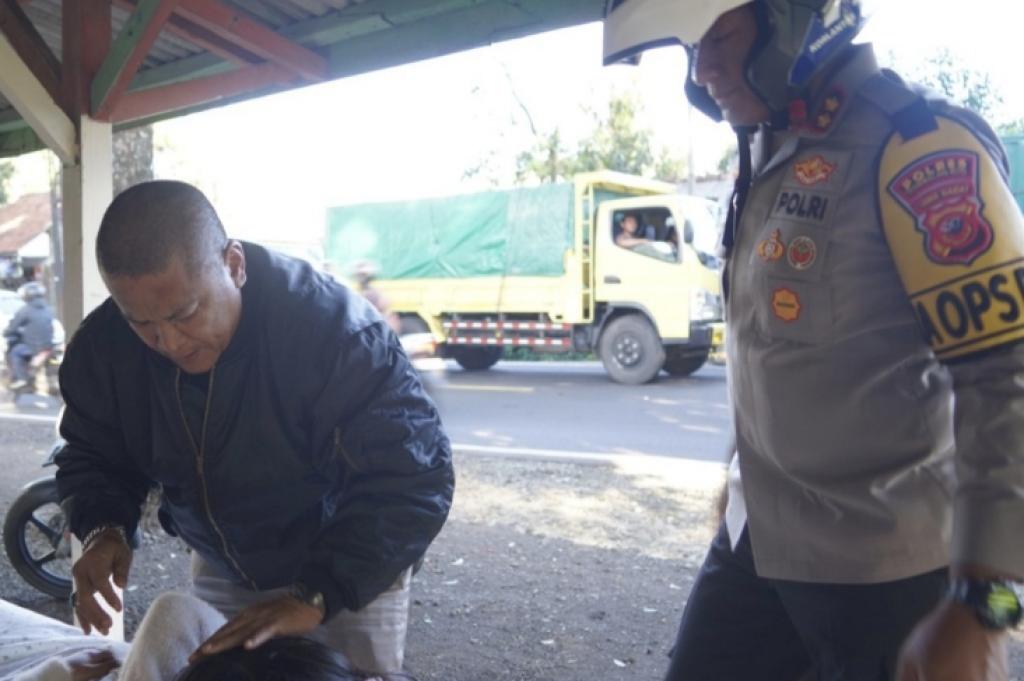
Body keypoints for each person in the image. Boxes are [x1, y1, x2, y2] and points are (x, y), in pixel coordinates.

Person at [604, 1, 1024, 680]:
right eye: (693, 44)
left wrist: (987, 610)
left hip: (887, 566)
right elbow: (770, 348)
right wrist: (740, 471)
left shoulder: (917, 144)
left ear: (798, 21)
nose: (702, 67)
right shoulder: (769, 148)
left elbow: (1009, 377)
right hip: (756, 542)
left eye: (721, 36)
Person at [54, 181, 454, 676]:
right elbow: (93, 453)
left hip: (347, 560)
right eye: (143, 323)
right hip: (222, 560)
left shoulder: (337, 335)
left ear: (234, 265)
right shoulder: (104, 348)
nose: (170, 343)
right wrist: (103, 527)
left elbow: (411, 480)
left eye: (185, 313)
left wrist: (317, 592)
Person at [3, 281, 55, 390]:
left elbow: (12, 328)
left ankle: (21, 378)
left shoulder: (25, 310)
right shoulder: (48, 309)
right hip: (48, 346)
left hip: (32, 348)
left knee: (15, 352)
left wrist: (6, 332)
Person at [350, 261, 401, 335]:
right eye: (359, 275)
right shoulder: (360, 292)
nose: (360, 278)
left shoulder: (372, 293)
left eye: (363, 275)